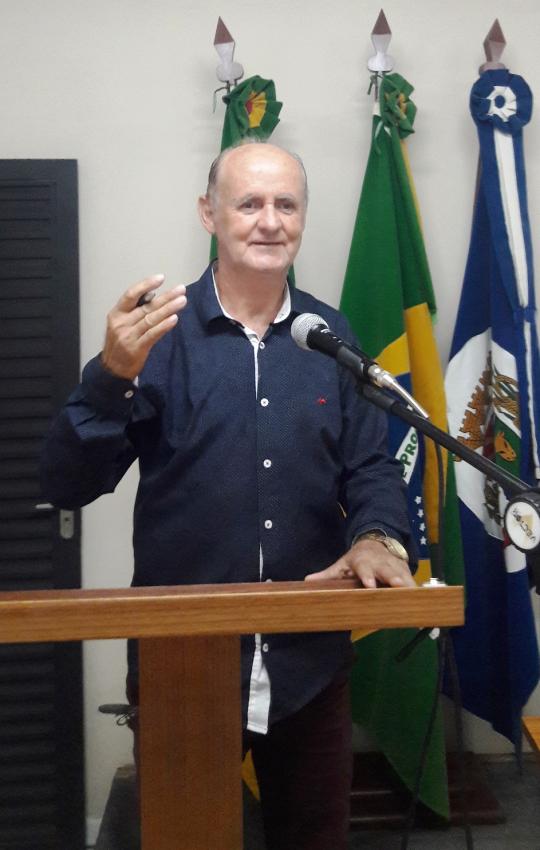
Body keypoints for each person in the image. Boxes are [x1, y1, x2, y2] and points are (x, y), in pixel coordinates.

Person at [41, 141, 415, 850]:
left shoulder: (329, 337)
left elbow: (371, 467)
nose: (270, 221)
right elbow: (67, 483)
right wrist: (111, 380)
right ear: (209, 214)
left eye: (286, 204)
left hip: (310, 666)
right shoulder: (157, 338)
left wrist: (376, 535)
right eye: (249, 203)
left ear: (303, 217)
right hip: (185, 663)